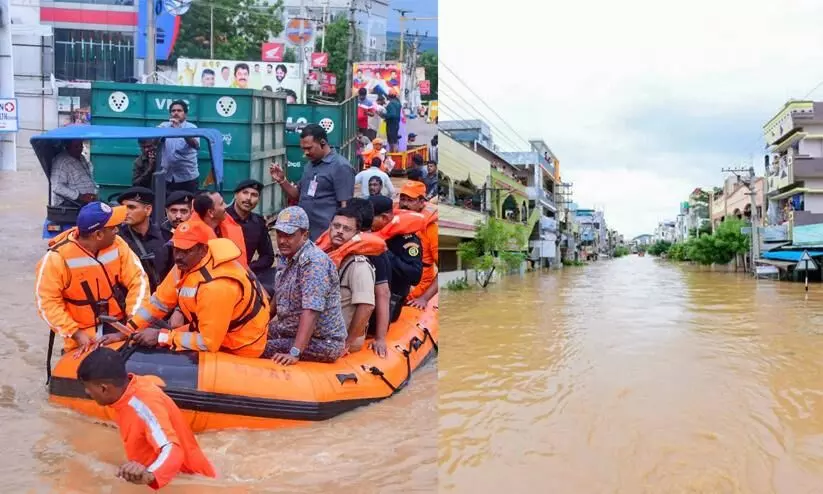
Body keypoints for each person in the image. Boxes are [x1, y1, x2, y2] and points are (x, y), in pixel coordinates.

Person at [76, 348, 216, 489]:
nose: (87, 392)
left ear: (103, 388)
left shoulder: (143, 405)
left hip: (188, 481)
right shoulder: (127, 391)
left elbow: (173, 450)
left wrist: (149, 474)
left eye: (87, 387)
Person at [127, 220, 270, 357]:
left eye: (186, 251)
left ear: (203, 250)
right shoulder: (185, 265)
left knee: (164, 339)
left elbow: (208, 343)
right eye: (176, 249)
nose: (178, 257)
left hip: (240, 344)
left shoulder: (216, 286)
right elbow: (160, 302)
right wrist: (129, 329)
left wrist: (161, 337)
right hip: (212, 330)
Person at [34, 202, 150, 360]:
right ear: (99, 235)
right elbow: (47, 303)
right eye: (113, 228)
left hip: (117, 327)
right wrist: (75, 333)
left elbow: (139, 281)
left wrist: (131, 325)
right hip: (80, 335)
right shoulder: (56, 259)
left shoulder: (118, 245)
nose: (117, 230)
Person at [262, 207, 347, 364]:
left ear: (304, 235)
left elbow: (311, 311)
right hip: (288, 329)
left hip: (322, 341)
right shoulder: (286, 256)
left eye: (289, 236)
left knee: (256, 347)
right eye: (279, 234)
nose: (281, 240)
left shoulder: (314, 263)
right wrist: (260, 324)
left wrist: (295, 352)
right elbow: (278, 295)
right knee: (245, 335)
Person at [269, 124, 356, 241]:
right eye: (303, 149)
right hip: (305, 234)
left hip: (326, 237)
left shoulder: (340, 166)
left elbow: (346, 207)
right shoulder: (309, 165)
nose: (305, 153)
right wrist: (282, 180)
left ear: (323, 143)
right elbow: (297, 195)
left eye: (309, 148)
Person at [316, 206, 384, 353]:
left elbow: (367, 307)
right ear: (330, 228)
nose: (340, 231)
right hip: (323, 331)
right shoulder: (324, 257)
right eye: (336, 226)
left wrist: (347, 343)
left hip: (341, 338)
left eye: (347, 229)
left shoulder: (359, 266)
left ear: (356, 234)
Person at [368, 195, 423, 322]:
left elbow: (415, 276)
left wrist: (385, 253)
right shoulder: (368, 233)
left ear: (384, 218)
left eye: (370, 218)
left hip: (390, 302)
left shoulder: (408, 241)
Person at [349, 198, 391, 357]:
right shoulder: (354, 243)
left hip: (368, 318)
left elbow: (383, 293)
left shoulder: (372, 249)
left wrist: (380, 338)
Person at [118, 187, 173, 292]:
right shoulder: (118, 239)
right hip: (132, 302)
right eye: (123, 208)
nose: (126, 212)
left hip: (160, 301)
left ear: (148, 210)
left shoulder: (166, 238)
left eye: (131, 207)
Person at [398, 181, 439, 310]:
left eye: (410, 200)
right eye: (402, 199)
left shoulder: (431, 228)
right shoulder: (395, 220)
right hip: (398, 278)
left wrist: (424, 298)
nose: (404, 204)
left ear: (422, 202)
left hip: (418, 288)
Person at [226, 179, 275, 274]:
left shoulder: (259, 223)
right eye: (245, 193)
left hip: (245, 274)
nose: (249, 198)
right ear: (236, 195)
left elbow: (268, 257)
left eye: (254, 195)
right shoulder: (222, 218)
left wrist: (249, 268)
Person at [192, 191, 248, 268]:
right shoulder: (193, 240)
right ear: (211, 212)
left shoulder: (228, 225)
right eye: (221, 204)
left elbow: (244, 266)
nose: (226, 206)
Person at [157, 100, 200, 193]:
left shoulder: (191, 128)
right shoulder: (164, 126)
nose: (176, 113)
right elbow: (153, 141)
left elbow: (195, 145)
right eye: (173, 111)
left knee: (188, 205)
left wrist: (180, 130)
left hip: (187, 178)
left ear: (185, 114)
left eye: (179, 111)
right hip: (167, 177)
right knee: (167, 205)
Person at [50, 139, 97, 206]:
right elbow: (57, 187)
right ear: (67, 146)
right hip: (71, 205)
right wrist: (80, 196)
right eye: (76, 146)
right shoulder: (61, 161)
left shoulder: (81, 157)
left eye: (81, 146)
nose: (80, 149)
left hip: (88, 202)